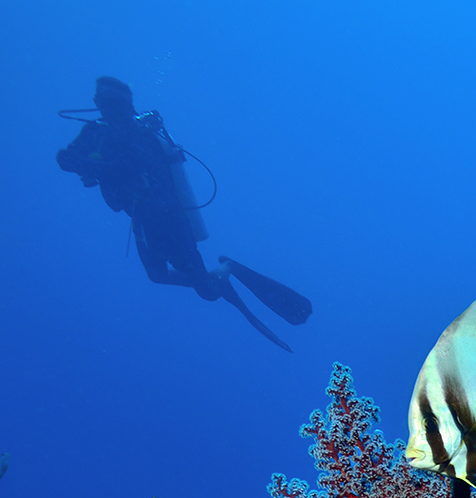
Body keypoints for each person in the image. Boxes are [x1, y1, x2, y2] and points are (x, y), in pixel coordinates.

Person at [57, 77, 312, 350]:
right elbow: (64, 158)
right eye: (104, 101)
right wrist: (90, 164)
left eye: (111, 101)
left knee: (206, 291)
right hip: (143, 220)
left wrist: (91, 167)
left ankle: (228, 268)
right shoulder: (96, 133)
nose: (106, 106)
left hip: (169, 219)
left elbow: (127, 165)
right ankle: (221, 275)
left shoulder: (140, 135)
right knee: (160, 276)